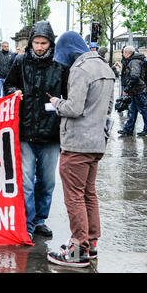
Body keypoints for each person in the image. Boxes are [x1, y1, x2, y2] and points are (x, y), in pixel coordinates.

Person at [46, 31, 115, 267]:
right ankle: (91, 243)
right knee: (89, 194)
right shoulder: (105, 68)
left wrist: (57, 103)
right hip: (96, 142)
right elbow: (109, 108)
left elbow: (74, 108)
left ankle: (77, 249)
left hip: (76, 144)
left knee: (74, 197)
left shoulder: (80, 69)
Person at [3, 21, 68, 241]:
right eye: (36, 42)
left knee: (47, 181)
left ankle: (40, 219)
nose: (39, 46)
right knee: (27, 181)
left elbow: (68, 95)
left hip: (51, 133)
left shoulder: (60, 65)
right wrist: (15, 91)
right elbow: (8, 85)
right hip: (26, 131)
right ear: (31, 43)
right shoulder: (20, 61)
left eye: (44, 43)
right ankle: (28, 221)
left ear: (50, 43)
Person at [117, 46, 147, 136]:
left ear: (127, 53)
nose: (123, 54)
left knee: (143, 110)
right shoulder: (136, 60)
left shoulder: (134, 61)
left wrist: (127, 89)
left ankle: (146, 129)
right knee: (133, 110)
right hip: (136, 90)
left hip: (138, 90)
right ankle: (128, 129)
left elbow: (135, 76)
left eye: (123, 53)